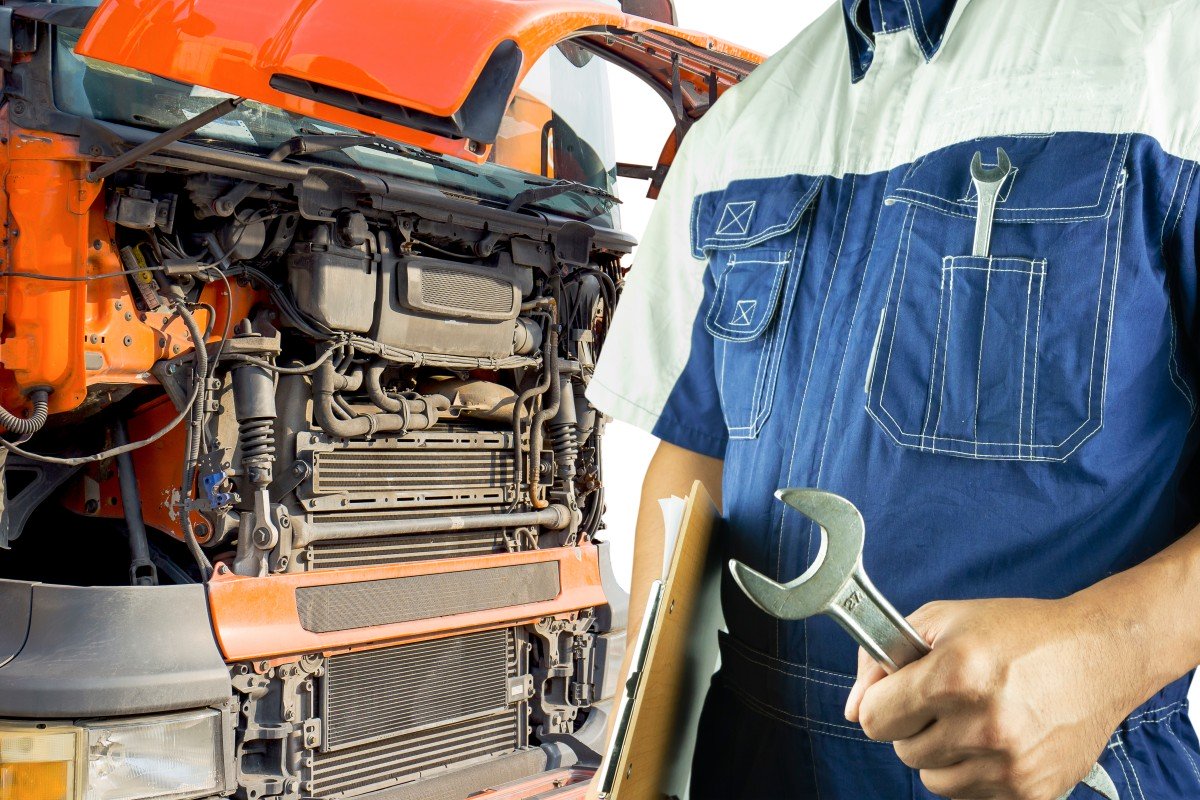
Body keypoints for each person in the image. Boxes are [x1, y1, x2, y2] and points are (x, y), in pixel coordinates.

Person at [585, 0, 1200, 797]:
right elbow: (695, 456)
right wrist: (641, 764)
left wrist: (1110, 649)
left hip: (1068, 775)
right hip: (747, 765)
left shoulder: (1168, 48)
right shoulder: (736, 130)